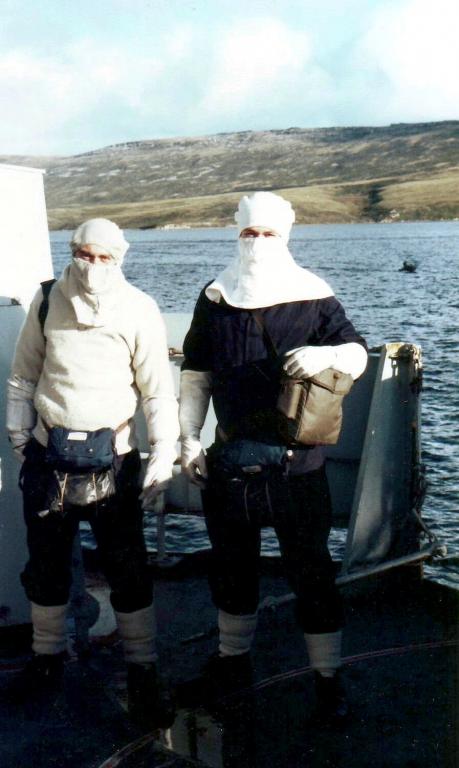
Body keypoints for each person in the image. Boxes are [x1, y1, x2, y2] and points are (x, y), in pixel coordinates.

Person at [179, 192, 368, 720]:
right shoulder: (215, 297)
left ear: (285, 236)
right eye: (248, 232)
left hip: (297, 465)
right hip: (232, 461)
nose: (257, 242)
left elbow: (355, 353)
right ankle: (231, 662)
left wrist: (327, 353)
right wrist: (189, 439)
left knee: (311, 571)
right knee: (231, 567)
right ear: (236, 234)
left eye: (268, 233)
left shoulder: (313, 295)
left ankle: (327, 679)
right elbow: (196, 375)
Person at [6, 218, 179, 727]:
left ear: (119, 258)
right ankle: (46, 661)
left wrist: (163, 455)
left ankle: (142, 672)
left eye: (105, 257)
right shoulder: (45, 301)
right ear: (72, 251)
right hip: (48, 457)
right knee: (46, 567)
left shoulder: (140, 309)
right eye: (85, 253)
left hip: (116, 460)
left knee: (128, 570)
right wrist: (21, 437)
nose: (94, 265)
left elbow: (156, 391)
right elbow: (23, 375)